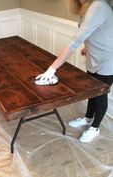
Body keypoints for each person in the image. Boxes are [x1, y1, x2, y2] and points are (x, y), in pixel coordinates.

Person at [35, 0, 113, 143]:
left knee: (100, 94)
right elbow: (92, 30)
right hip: (94, 55)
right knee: (92, 90)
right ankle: (88, 119)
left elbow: (74, 41)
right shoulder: (86, 7)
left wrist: (51, 69)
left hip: (108, 58)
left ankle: (95, 128)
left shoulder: (98, 5)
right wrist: (88, 47)